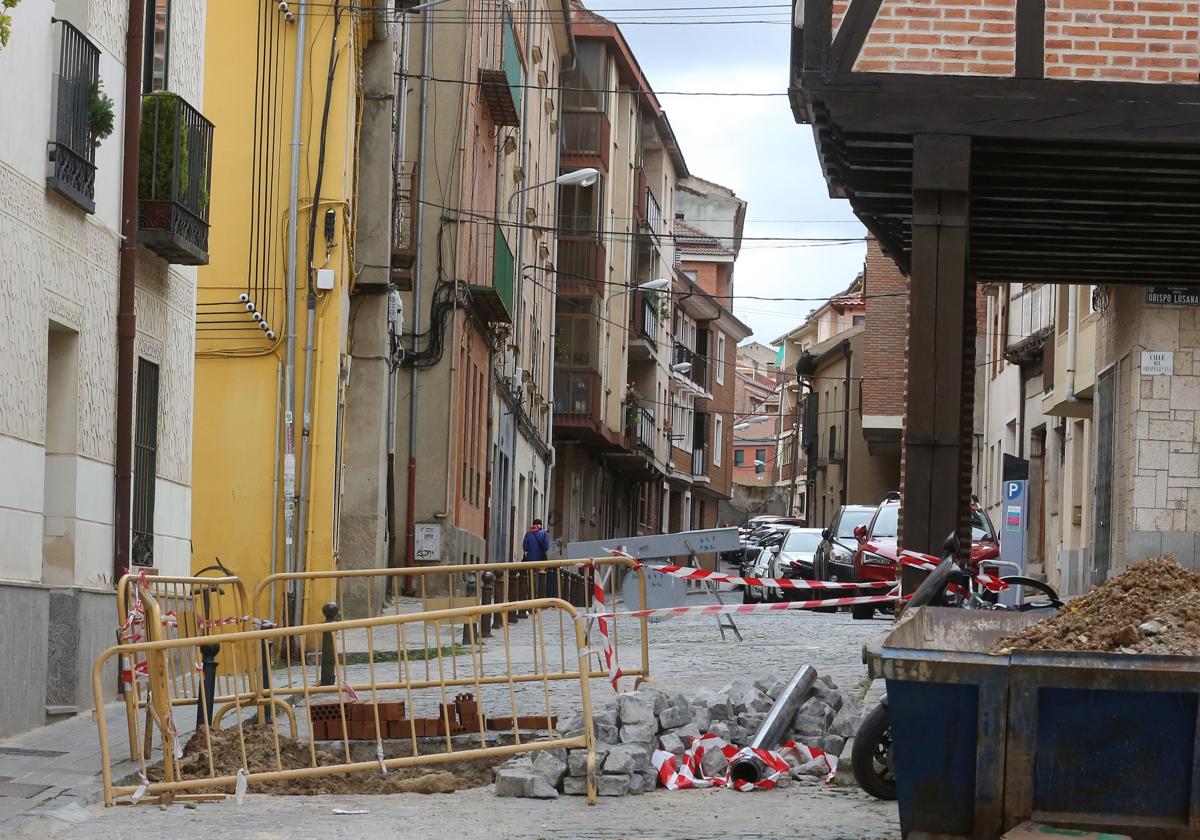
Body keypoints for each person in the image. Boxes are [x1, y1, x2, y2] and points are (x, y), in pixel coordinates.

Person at [522, 518, 555, 598]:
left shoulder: (528, 534)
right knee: (540, 577)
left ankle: (530, 594)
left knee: (530, 577)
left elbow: (525, 547)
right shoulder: (544, 534)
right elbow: (546, 547)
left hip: (530, 559)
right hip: (540, 559)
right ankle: (538, 596)